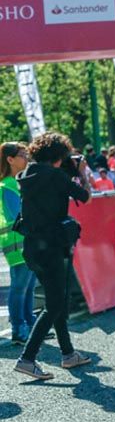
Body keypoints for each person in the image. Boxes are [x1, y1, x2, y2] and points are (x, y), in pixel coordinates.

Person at [11, 133, 92, 380]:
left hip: (33, 247)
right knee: (56, 304)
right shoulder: (57, 176)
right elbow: (84, 196)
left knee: (54, 300)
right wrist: (82, 173)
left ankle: (68, 354)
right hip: (53, 247)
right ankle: (27, 358)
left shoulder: (25, 175)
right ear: (59, 157)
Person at [1, 143, 34, 345]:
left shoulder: (16, 182)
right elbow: (16, 215)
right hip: (17, 243)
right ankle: (18, 328)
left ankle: (28, 324)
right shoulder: (7, 185)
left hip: (24, 241)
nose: (26, 158)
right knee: (20, 287)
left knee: (28, 286)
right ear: (10, 159)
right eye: (22, 155)